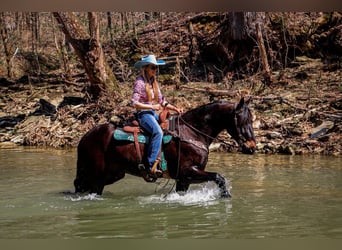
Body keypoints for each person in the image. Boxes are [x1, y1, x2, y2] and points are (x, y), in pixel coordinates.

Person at [131, 54, 182, 177]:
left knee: (171, 127)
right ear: (146, 68)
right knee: (158, 132)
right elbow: (134, 103)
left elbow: (162, 101)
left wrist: (175, 108)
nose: (155, 70)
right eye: (153, 67)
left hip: (153, 113)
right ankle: (150, 164)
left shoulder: (154, 83)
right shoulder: (139, 82)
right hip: (143, 114)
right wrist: (151, 107)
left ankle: (167, 160)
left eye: (156, 68)